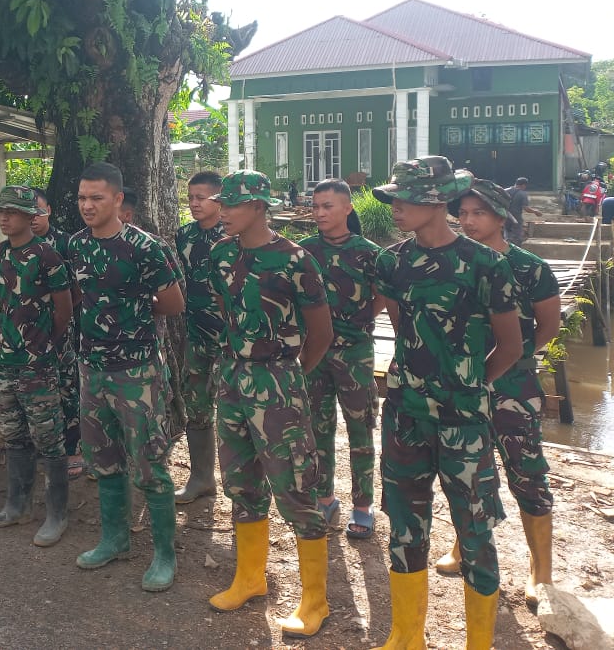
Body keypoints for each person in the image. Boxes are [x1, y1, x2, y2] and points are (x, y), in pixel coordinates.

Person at [370, 157, 523, 650]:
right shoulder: (391, 262)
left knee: (475, 532)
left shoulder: (486, 264)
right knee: (404, 525)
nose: (395, 207)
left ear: (437, 202)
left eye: (405, 199)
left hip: (464, 423)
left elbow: (512, 345)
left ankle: (479, 643)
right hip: (403, 416)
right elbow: (401, 330)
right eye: (392, 198)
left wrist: (470, 386)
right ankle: (405, 635)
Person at [205, 170, 334, 638]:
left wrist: (288, 374)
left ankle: (314, 601)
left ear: (258, 206)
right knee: (240, 481)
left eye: (233, 205)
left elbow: (321, 333)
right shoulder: (220, 253)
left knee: (296, 487)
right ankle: (250, 578)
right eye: (224, 203)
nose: (224, 212)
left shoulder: (295, 259)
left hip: (278, 380)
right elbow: (227, 313)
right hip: (233, 377)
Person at [445, 178, 561, 608]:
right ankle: (465, 547)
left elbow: (549, 326)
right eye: (464, 213)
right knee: (466, 472)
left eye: (479, 213)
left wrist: (517, 360)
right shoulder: (454, 263)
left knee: (526, 472)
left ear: (500, 217)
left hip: (513, 386)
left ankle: (540, 570)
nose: (468, 221)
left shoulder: (529, 267)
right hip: (462, 383)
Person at [70, 162, 185, 592]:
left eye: (96, 198)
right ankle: (115, 540)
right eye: (82, 197)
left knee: (151, 463)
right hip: (91, 370)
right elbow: (83, 296)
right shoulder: (76, 245)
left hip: (137, 371)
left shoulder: (144, 247)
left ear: (118, 199)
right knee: (104, 461)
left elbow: (174, 304)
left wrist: (133, 309)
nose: (87, 205)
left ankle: (163, 554)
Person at [0, 186, 74, 546]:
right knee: (13, 434)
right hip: (6, 360)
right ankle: (16, 505)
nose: (4, 218)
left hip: (40, 363)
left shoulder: (47, 255)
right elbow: (6, 303)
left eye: (13, 212)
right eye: (1, 211)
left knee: (49, 438)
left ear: (30, 216)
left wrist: (45, 344)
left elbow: (64, 309)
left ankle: (56, 514)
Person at [300, 178, 383, 540]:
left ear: (348, 208)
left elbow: (381, 297)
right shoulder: (303, 250)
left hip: (355, 353)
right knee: (317, 428)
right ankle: (325, 498)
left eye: (327, 206)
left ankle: (363, 506)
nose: (318, 212)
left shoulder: (369, 252)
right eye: (315, 206)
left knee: (360, 430)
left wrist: (358, 320)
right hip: (315, 352)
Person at [172, 171, 227, 504]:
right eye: (190, 197)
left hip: (232, 339)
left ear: (219, 199)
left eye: (201, 198)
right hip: (197, 335)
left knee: (238, 414)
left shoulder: (234, 237)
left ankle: (245, 488)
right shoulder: (184, 236)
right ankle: (202, 478)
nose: (193, 203)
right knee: (198, 408)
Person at [119, 186, 187, 438]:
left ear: (127, 215)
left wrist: (138, 303)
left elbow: (175, 295)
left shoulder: (152, 245)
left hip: (145, 345)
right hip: (103, 354)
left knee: (152, 407)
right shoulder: (85, 243)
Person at [31, 187, 85, 480]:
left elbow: (77, 289)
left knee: (67, 386)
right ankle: (46, 446)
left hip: (62, 328)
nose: (34, 217)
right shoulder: (17, 244)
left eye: (39, 210)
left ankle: (74, 448)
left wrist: (57, 318)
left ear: (49, 210)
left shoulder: (65, 243)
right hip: (28, 335)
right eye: (28, 212)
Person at [504, 177, 542, 245]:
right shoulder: (522, 194)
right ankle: (515, 252)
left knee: (506, 235)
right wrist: (535, 212)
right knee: (517, 238)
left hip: (505, 216)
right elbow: (526, 208)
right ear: (524, 185)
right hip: (516, 218)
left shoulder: (505, 191)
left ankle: (505, 250)